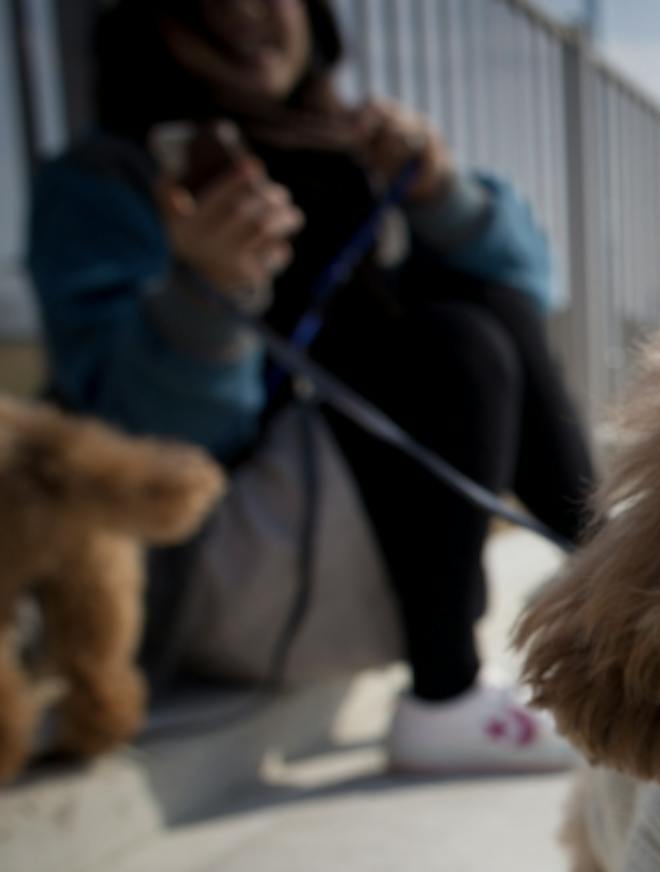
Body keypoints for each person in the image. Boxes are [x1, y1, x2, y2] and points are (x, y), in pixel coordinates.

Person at [28, 0, 589, 773]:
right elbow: (142, 454)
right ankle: (446, 692)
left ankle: (617, 595)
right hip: (224, 565)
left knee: (485, 304)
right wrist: (204, 296)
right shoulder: (105, 181)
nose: (250, 14)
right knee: (453, 344)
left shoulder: (352, 149)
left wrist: (442, 198)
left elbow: (531, 296)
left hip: (369, 546)